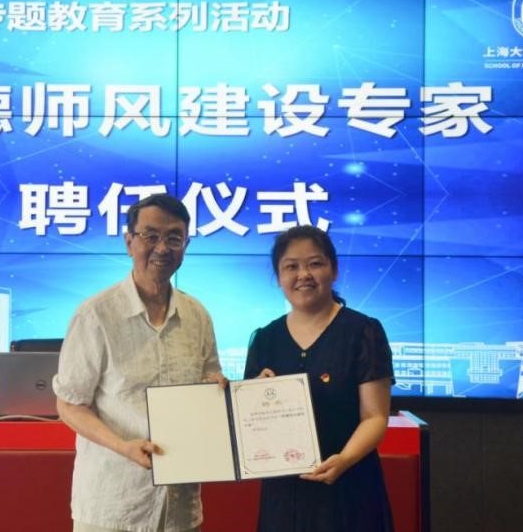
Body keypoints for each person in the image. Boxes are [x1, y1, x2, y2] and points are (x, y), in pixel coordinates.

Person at [53, 193, 225, 532]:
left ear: (186, 245)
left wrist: (220, 390)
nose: (162, 248)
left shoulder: (198, 316)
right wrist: (122, 446)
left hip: (180, 505)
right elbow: (69, 404)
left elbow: (210, 380)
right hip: (114, 505)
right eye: (150, 235)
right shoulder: (96, 315)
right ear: (129, 242)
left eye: (174, 238)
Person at [243, 225, 395, 532]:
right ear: (279, 277)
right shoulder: (265, 339)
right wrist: (251, 399)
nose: (304, 275)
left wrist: (344, 460)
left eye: (315, 263)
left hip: (349, 488)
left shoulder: (363, 331)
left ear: (334, 270)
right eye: (291, 267)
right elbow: (249, 424)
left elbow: (375, 417)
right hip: (284, 495)